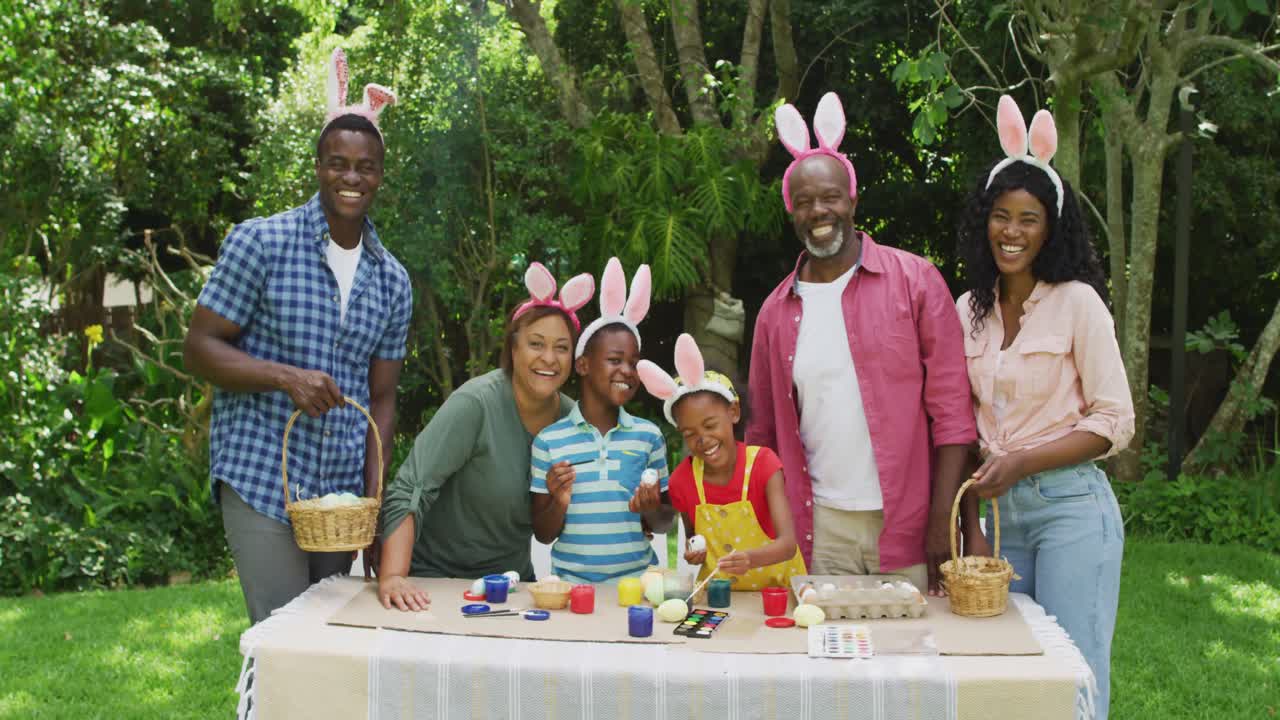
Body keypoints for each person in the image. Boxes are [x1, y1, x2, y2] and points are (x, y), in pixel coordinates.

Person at [183, 49, 408, 625]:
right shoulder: (261, 243)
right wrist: (285, 377)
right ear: (317, 166)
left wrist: (373, 505)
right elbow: (200, 348)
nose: (351, 178)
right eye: (338, 163)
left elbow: (381, 397)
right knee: (282, 631)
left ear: (381, 174)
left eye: (365, 167)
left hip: (337, 495)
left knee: (328, 637)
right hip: (260, 470)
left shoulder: (392, 279)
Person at [747, 92, 977, 594]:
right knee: (828, 666)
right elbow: (761, 432)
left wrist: (944, 520)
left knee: (913, 664)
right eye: (804, 202)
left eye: (829, 196)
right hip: (820, 529)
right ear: (791, 212)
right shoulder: (774, 312)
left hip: (908, 525)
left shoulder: (915, 281)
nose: (818, 211)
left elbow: (953, 412)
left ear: (852, 199)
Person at [955, 95, 1134, 719]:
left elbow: (1115, 421)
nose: (1012, 232)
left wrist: (1024, 462)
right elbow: (959, 424)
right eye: (1001, 216)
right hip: (998, 514)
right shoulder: (967, 310)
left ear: (1051, 226)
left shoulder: (1079, 303)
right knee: (1008, 679)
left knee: (1073, 676)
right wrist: (969, 521)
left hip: (1069, 510)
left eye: (1028, 219)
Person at [377, 263, 594, 611]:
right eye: (536, 344)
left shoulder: (573, 421)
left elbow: (549, 528)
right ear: (513, 349)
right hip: (435, 579)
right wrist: (392, 577)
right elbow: (411, 487)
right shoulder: (475, 404)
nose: (549, 358)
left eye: (562, 347)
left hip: (510, 584)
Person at [530, 258, 672, 583]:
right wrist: (559, 499)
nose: (627, 371)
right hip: (570, 589)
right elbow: (543, 533)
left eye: (634, 362)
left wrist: (650, 508)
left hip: (636, 586)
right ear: (582, 365)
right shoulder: (549, 442)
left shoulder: (648, 437)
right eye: (614, 360)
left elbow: (662, 524)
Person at [639, 334, 805, 588]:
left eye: (710, 425)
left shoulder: (764, 464)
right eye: (689, 433)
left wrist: (750, 558)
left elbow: (787, 545)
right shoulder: (683, 480)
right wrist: (694, 554)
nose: (702, 439)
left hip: (776, 593)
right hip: (720, 597)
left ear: (734, 412)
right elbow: (694, 538)